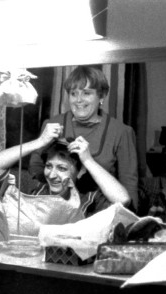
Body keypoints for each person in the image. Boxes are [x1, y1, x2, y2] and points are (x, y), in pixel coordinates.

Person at [27, 65, 139, 208]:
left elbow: (129, 187)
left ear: (101, 96)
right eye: (73, 93)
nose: (78, 100)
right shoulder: (52, 124)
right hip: (56, 205)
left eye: (86, 93)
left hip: (100, 209)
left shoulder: (121, 132)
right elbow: (35, 167)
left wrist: (130, 219)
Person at [0, 125, 131, 218]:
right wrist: (40, 142)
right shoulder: (33, 190)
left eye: (62, 168)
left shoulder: (90, 201)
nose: (52, 175)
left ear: (80, 172)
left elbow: (123, 200)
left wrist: (88, 161)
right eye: (49, 166)